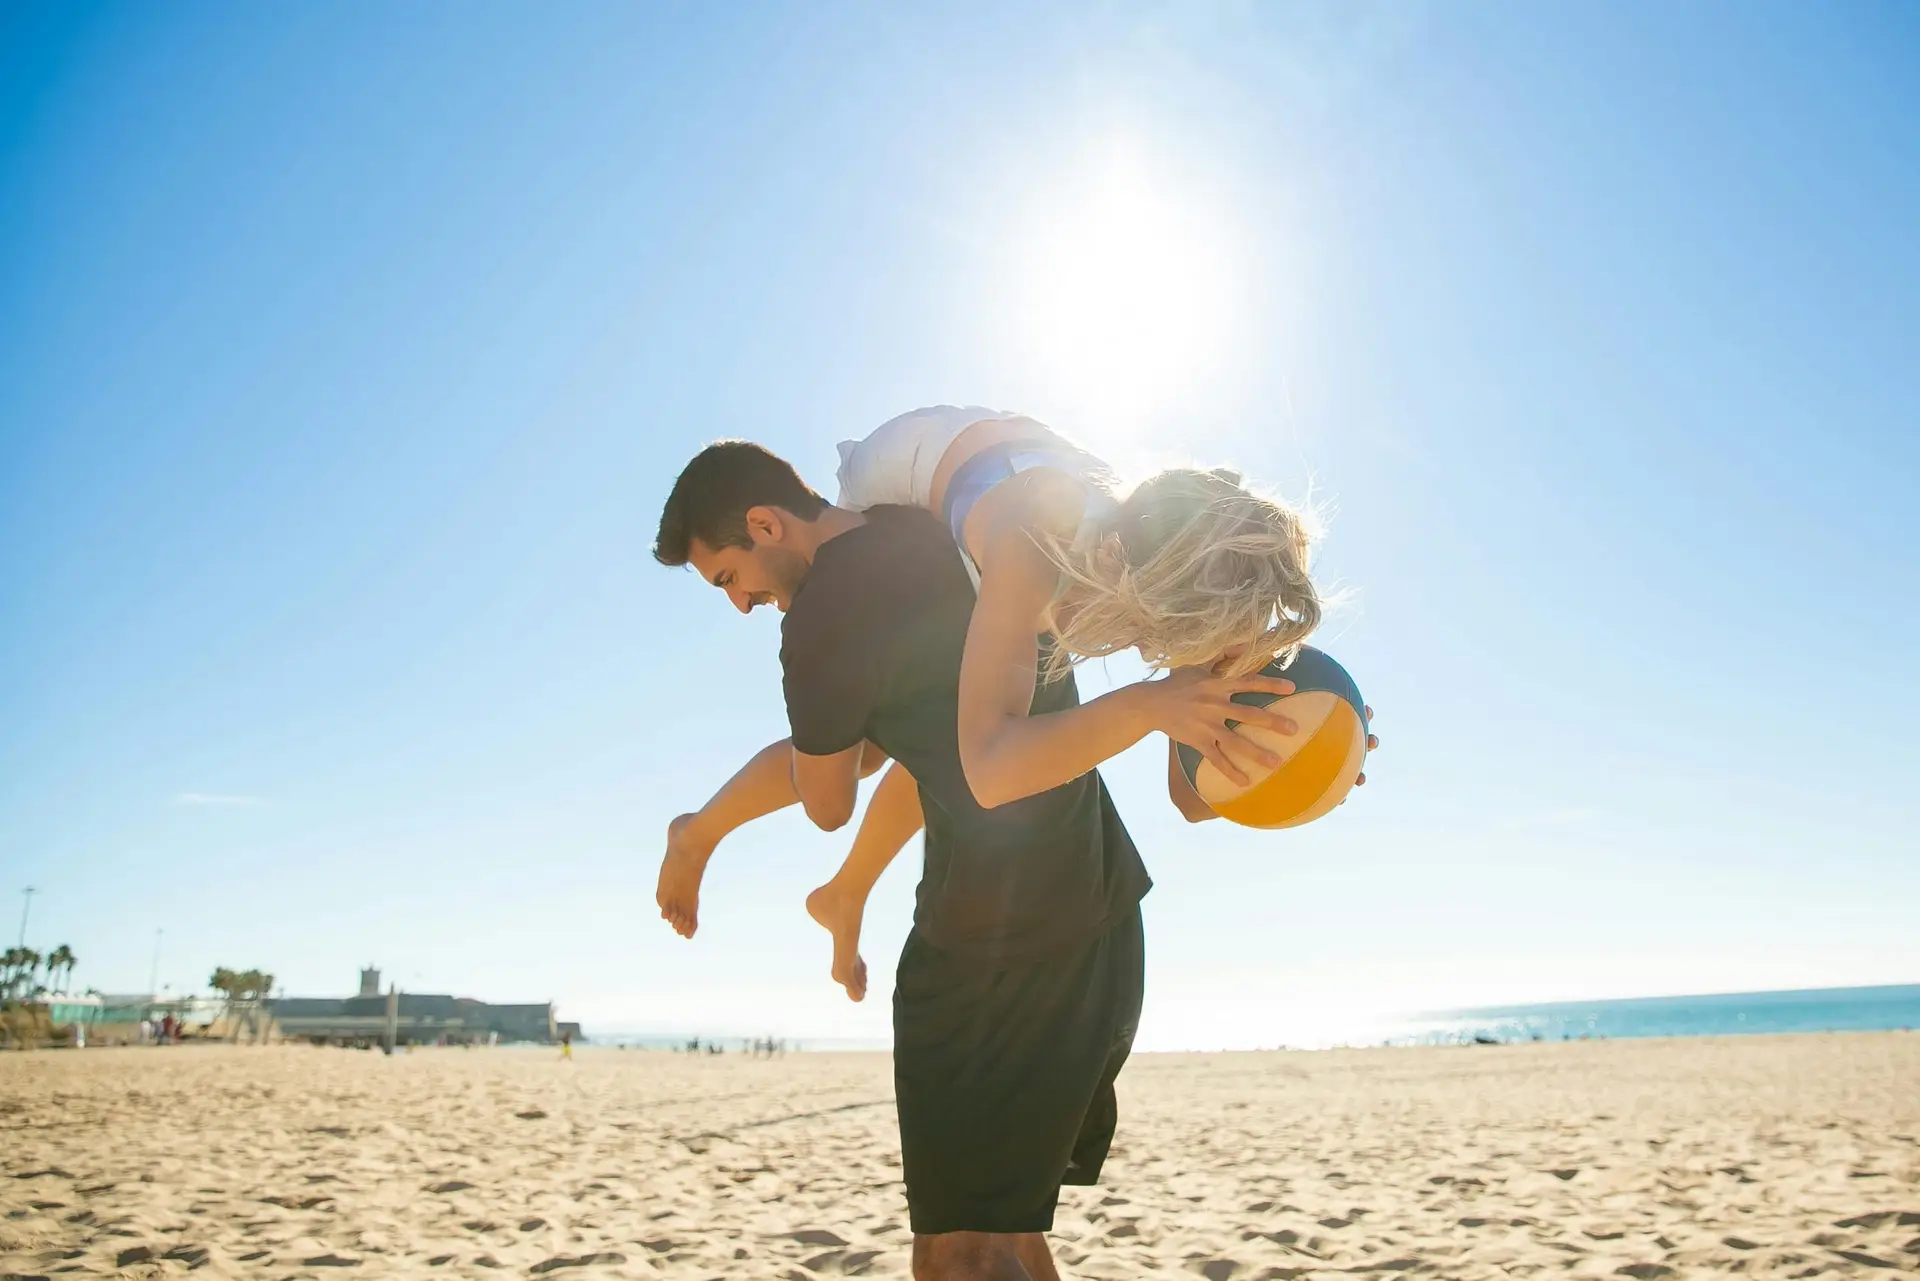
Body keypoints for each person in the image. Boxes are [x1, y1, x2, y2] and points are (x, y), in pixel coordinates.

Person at [658, 407, 1376, 998]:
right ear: (1122, 576)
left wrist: (1315, 760)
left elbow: (1189, 794)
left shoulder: (1174, 560)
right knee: (880, 739)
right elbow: (991, 769)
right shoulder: (1027, 547)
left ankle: (843, 890)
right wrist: (1149, 705)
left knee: (939, 714)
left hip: (1016, 474)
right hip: (903, 473)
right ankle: (704, 832)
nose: (1166, 658)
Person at [655, 442, 1152, 1280]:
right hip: (1097, 898)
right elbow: (932, 750)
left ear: (765, 523)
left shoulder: (818, 620)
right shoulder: (928, 526)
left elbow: (829, 797)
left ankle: (707, 836)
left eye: (728, 578)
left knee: (962, 1251)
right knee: (1005, 1235)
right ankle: (822, 887)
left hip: (1001, 945)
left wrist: (706, 830)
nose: (741, 604)